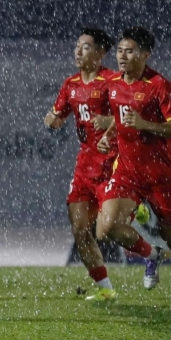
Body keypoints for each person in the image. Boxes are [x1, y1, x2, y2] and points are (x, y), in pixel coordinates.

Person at [96, 26, 171, 317]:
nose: (122, 56)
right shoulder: (113, 83)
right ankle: (151, 254)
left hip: (160, 175)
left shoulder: (159, 85)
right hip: (128, 171)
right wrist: (109, 137)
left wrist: (145, 125)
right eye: (119, 51)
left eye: (130, 51)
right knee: (107, 228)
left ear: (145, 54)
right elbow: (119, 118)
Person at [45, 28, 118, 301]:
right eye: (77, 46)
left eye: (85, 47)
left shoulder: (112, 81)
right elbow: (57, 116)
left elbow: (127, 117)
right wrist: (52, 118)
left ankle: (138, 211)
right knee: (79, 229)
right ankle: (105, 290)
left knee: (109, 228)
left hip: (112, 162)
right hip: (85, 163)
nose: (78, 51)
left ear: (100, 53)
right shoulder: (70, 84)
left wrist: (109, 124)